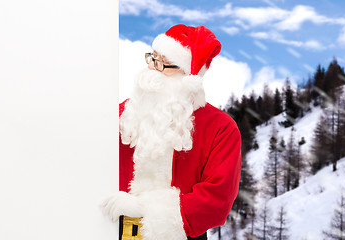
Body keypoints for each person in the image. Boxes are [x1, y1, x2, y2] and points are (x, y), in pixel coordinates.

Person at [101, 24, 242, 240]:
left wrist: (144, 210)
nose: (151, 69)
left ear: (188, 78)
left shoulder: (221, 128)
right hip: (109, 229)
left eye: (163, 64)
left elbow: (217, 199)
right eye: (152, 58)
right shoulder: (123, 114)